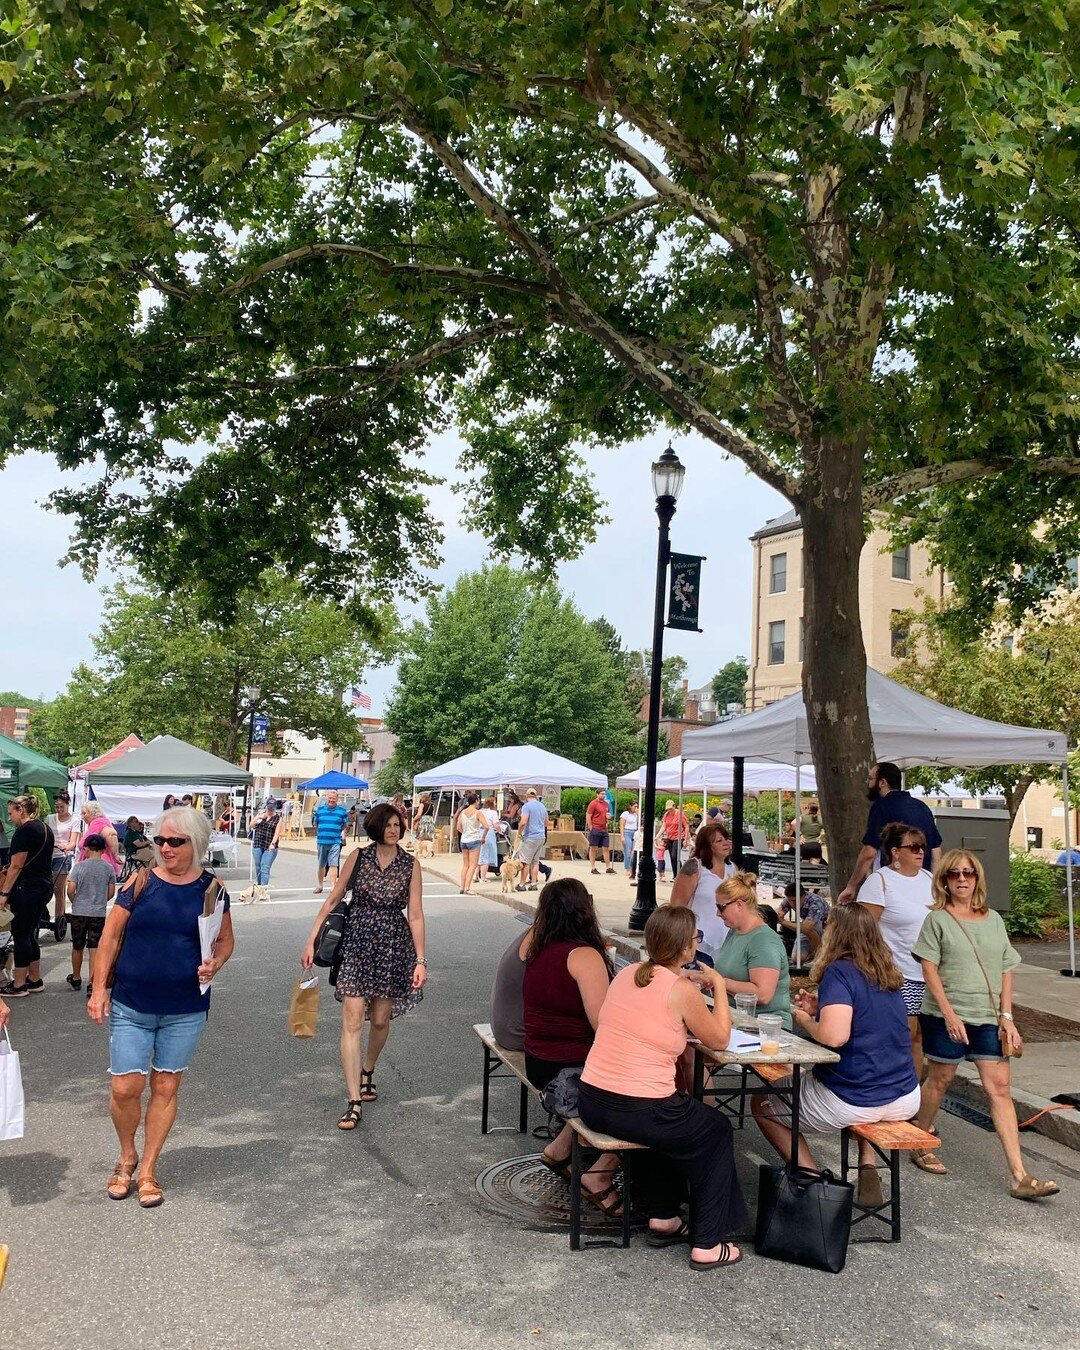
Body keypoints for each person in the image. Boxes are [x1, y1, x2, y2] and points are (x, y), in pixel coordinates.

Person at [579, 905, 748, 1269]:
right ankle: (708, 1241)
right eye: (695, 939)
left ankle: (664, 1214)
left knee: (673, 1124)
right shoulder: (680, 989)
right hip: (637, 1105)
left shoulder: (627, 975)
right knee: (715, 1130)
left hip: (593, 1097)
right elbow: (719, 1038)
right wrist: (718, 985)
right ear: (687, 949)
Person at [89, 806, 234, 1207]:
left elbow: (224, 941)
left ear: (196, 843)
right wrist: (99, 989)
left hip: (186, 1007)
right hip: (132, 1002)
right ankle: (126, 1154)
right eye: (160, 840)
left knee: (166, 1086)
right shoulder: (140, 882)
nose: (165, 848)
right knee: (125, 1087)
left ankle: (148, 1168)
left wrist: (215, 963)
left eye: (175, 841)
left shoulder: (211, 890)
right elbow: (110, 938)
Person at [751, 903, 921, 1210]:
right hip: (904, 1096)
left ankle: (814, 1183)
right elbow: (865, 1020)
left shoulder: (839, 971)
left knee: (763, 1101)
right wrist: (823, 1008)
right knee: (849, 1080)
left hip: (854, 1099)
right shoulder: (888, 971)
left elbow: (834, 1037)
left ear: (837, 933)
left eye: (828, 925)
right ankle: (866, 1165)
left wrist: (805, 1020)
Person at [910, 852, 1058, 1199]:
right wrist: (948, 1013)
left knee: (1000, 1090)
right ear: (944, 880)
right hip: (947, 1014)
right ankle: (920, 1139)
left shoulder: (993, 920)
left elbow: (1007, 968)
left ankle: (1019, 1176)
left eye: (969, 873)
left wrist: (1007, 1018)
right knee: (940, 1079)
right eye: (954, 874)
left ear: (977, 878)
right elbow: (928, 969)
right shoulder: (937, 920)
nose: (962, 879)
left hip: (988, 1017)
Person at [301, 804, 426, 1131]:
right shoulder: (358, 856)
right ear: (376, 827)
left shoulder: (411, 865)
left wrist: (421, 959)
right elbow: (334, 898)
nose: (394, 830)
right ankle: (353, 1100)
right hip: (356, 943)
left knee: (381, 1019)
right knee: (353, 1020)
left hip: (391, 947)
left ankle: (368, 1068)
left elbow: (415, 915)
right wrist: (312, 937)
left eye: (398, 825)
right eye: (388, 825)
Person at [520, 878, 620, 1213]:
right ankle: (601, 1173)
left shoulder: (534, 949)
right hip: (571, 1069)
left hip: (539, 1061)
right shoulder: (584, 956)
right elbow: (602, 1024)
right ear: (584, 910)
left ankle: (558, 1151)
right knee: (647, 1096)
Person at [857, 822, 934, 1075]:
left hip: (930, 973)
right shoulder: (879, 882)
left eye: (922, 847)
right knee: (902, 1037)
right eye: (913, 847)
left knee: (920, 1039)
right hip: (896, 974)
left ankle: (911, 1097)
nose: (920, 852)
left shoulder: (930, 879)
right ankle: (891, 1089)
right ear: (895, 852)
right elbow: (862, 933)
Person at [838, 762, 943, 903]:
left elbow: (869, 852)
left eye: (870, 779)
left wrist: (851, 886)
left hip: (892, 886)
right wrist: (933, 886)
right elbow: (936, 853)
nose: (868, 783)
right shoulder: (922, 807)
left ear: (882, 782)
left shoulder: (880, 807)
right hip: (922, 885)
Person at [713, 871, 792, 1027]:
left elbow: (763, 994)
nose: (717, 913)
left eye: (720, 907)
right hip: (738, 1020)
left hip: (766, 1028)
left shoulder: (764, 941)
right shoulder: (734, 932)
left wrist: (718, 981)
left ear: (739, 905)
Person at [0, 795, 55, 997]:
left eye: (11, 813)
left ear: (20, 810)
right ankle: (34, 978)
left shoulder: (24, 831)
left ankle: (19, 984)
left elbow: (16, 865)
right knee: (30, 932)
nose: (9, 818)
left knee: (21, 933)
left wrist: (4, 893)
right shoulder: (44, 827)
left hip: (27, 888)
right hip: (43, 886)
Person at [670, 822, 735, 966]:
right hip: (699, 942)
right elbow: (677, 905)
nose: (726, 843)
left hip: (727, 942)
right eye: (719, 841)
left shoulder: (732, 869)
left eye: (726, 839)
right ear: (707, 846)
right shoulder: (695, 867)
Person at [65, 833, 116, 996]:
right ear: (103, 849)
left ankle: (76, 976)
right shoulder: (108, 868)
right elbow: (111, 892)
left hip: (79, 911)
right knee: (94, 947)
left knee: (77, 946)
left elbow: (71, 889)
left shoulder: (79, 867)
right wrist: (100, 900)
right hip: (98, 912)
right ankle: (92, 982)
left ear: (86, 848)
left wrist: (75, 900)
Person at [45, 789, 82, 939]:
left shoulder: (74, 820)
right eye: (57, 806)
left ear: (68, 805)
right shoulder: (49, 818)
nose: (59, 809)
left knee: (58, 889)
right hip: (48, 855)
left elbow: (73, 843)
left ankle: (59, 918)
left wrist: (65, 846)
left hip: (62, 856)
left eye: (62, 807)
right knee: (44, 886)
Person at [777, 881, 830, 962]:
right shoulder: (791, 899)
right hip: (808, 928)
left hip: (827, 929)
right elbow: (778, 914)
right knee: (796, 959)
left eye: (794, 901)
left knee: (809, 928)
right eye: (789, 900)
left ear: (803, 896)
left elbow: (807, 927)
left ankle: (820, 955)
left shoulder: (815, 903)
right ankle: (814, 953)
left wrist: (784, 922)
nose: (792, 904)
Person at [312, 789, 349, 894]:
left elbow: (345, 825)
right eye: (330, 798)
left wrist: (340, 832)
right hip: (322, 841)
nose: (331, 800)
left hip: (335, 841)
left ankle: (333, 887)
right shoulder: (320, 810)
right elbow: (315, 824)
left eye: (334, 798)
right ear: (327, 798)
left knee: (334, 864)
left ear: (337, 799)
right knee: (321, 864)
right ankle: (320, 885)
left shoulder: (342, 812)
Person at [77, 801, 122, 878]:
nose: (82, 816)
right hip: (102, 864)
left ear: (92, 813)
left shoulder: (97, 823)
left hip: (97, 864)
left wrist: (116, 855)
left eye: (84, 813)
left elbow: (111, 834)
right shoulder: (103, 821)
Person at [516, 788, 549, 892]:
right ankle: (533, 883)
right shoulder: (542, 806)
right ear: (535, 795)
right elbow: (546, 822)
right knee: (535, 862)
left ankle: (522, 884)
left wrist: (519, 832)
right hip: (541, 836)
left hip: (530, 837)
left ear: (526, 796)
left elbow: (523, 822)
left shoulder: (526, 806)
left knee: (525, 862)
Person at [456, 792, 488, 895]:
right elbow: (486, 826)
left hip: (464, 840)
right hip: (474, 839)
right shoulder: (478, 813)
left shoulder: (462, 812)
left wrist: (465, 833)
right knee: (472, 866)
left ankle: (462, 886)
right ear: (476, 801)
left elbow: (458, 827)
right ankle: (467, 888)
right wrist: (482, 837)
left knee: (465, 865)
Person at [249, 800, 283, 896]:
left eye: (272, 807)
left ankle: (263, 891)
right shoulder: (261, 814)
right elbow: (251, 826)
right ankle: (259, 888)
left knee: (265, 867)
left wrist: (273, 843)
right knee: (258, 866)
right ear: (266, 806)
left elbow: (277, 832)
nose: (270, 809)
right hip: (258, 843)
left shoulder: (278, 818)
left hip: (269, 845)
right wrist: (258, 817)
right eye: (269, 807)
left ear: (275, 807)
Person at [585, 788, 614, 875]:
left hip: (604, 829)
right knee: (593, 848)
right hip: (595, 828)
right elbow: (588, 815)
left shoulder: (606, 804)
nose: (603, 795)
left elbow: (606, 814)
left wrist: (608, 818)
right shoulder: (593, 803)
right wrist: (591, 827)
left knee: (606, 847)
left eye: (604, 794)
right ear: (597, 794)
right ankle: (593, 867)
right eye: (602, 794)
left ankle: (608, 867)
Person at [660, 799, 690, 875]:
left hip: (679, 837)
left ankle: (680, 874)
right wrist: (657, 836)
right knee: (672, 857)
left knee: (675, 856)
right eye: (668, 809)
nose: (669, 810)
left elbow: (686, 825)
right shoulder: (666, 815)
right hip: (670, 838)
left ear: (674, 806)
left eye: (671, 808)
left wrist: (686, 839)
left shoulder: (680, 814)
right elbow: (663, 826)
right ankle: (675, 875)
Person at [477, 797, 500, 885]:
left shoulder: (479, 811)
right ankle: (483, 877)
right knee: (486, 856)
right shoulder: (493, 813)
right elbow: (496, 825)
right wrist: (500, 830)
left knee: (479, 855)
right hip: (488, 833)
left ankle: (476, 876)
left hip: (479, 832)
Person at [618, 803, 639, 880]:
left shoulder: (637, 814)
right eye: (634, 806)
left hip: (635, 831)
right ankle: (628, 868)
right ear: (630, 806)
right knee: (628, 851)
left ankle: (633, 868)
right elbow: (622, 825)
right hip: (627, 832)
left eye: (637, 806)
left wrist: (638, 814)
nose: (636, 808)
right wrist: (622, 836)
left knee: (634, 851)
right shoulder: (625, 814)